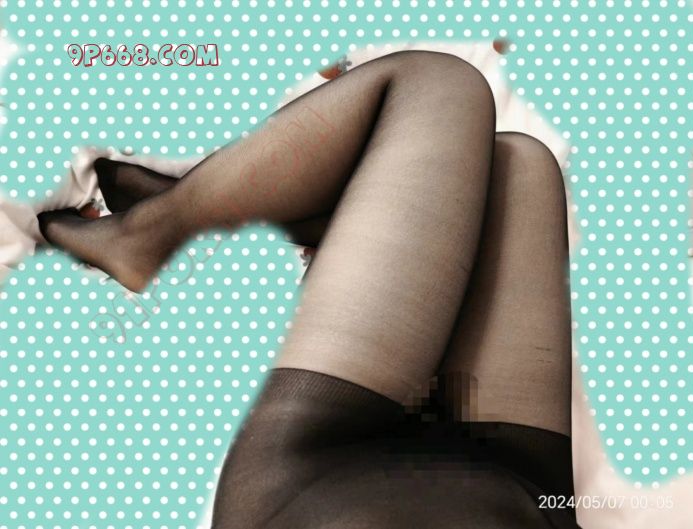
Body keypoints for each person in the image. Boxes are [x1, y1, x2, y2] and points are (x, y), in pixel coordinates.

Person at [38, 50, 579, 528]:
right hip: (526, 495)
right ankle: (261, 206)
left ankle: (149, 237)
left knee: (438, 85)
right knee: (517, 165)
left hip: (326, 487)